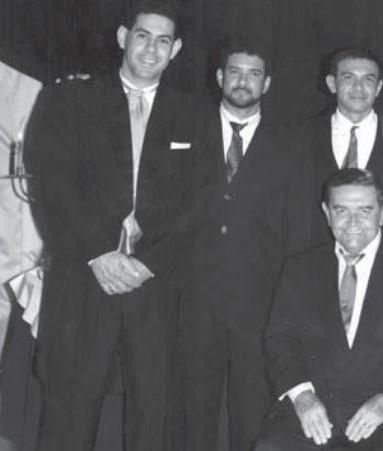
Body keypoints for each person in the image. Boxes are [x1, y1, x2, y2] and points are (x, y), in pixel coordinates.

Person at [23, 2, 211, 450]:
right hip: (84, 274)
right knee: (70, 409)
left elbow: (200, 200)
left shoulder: (196, 113)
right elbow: (53, 184)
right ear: (124, 37)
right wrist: (97, 252)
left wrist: (148, 263)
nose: (151, 49)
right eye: (143, 36)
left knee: (154, 412)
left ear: (176, 49)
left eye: (163, 40)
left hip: (156, 285)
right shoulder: (69, 99)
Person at [178, 37, 316, 451]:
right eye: (235, 72)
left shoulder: (292, 146)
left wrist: (288, 306)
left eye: (254, 74)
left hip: (260, 305)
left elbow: (300, 232)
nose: (243, 81)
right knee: (191, 411)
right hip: (193, 300)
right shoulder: (186, 131)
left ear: (266, 83)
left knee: (252, 414)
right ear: (220, 77)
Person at [254, 168, 383, 451]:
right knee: (270, 447)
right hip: (313, 406)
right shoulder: (300, 268)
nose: (353, 223)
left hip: (381, 412)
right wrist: (302, 396)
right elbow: (279, 341)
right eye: (341, 211)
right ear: (326, 212)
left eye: (364, 210)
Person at [302, 48, 383, 242]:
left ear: (378, 87)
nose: (358, 87)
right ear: (332, 84)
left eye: (368, 79)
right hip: (315, 251)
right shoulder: (301, 137)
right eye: (348, 78)